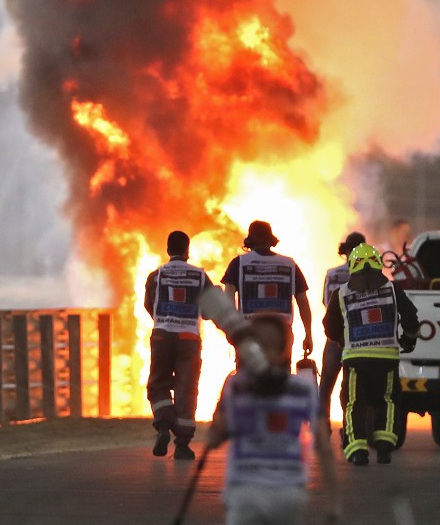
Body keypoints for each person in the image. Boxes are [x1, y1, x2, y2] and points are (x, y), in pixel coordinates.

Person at [207, 313, 339, 525]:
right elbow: (324, 447)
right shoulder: (304, 388)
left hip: (244, 492)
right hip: (288, 494)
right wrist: (334, 504)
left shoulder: (235, 385)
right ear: (284, 349)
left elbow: (214, 439)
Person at [322, 243, 420, 466]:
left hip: (355, 360)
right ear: (377, 264)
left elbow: (329, 327)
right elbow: (411, 317)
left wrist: (342, 340)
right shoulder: (392, 289)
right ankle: (384, 447)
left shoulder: (341, 293)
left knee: (354, 402)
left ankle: (357, 451)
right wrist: (409, 339)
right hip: (386, 357)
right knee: (388, 400)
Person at [143, 230, 213, 460]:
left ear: (167, 250)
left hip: (162, 336)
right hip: (189, 339)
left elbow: (149, 305)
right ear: (187, 250)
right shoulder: (200, 276)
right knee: (186, 389)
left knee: (158, 384)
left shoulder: (156, 275)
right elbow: (210, 311)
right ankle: (182, 444)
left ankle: (163, 425)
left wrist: (165, 320)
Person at [221, 221, 315, 359]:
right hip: (282, 333)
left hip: (248, 332)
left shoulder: (238, 263)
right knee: (280, 377)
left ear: (250, 241)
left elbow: (228, 299)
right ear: (271, 240)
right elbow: (303, 302)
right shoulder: (289, 264)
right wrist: (308, 334)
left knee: (248, 378)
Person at [319, 232, 366, 421]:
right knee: (353, 388)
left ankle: (322, 428)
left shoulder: (332, 274)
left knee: (325, 386)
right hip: (360, 337)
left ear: (344, 250)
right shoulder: (370, 276)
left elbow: (325, 302)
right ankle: (350, 430)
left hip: (334, 337)